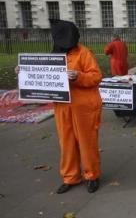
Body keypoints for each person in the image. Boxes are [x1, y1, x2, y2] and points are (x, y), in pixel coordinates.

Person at [16, 19, 103, 194]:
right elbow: (41, 78)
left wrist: (78, 76)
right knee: (66, 143)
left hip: (84, 106)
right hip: (63, 107)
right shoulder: (53, 56)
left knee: (87, 143)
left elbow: (96, 76)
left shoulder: (84, 53)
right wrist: (23, 71)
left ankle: (92, 175)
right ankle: (70, 177)